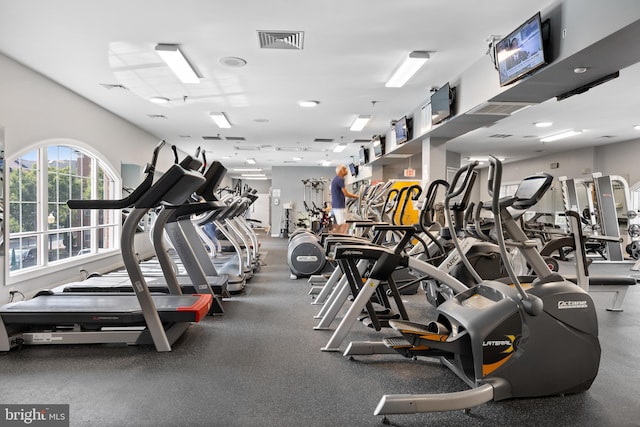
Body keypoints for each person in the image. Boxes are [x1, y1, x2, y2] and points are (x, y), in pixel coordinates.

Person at [330, 165, 359, 234]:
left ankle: (343, 237)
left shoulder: (335, 179)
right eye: (344, 169)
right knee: (343, 224)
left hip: (338, 205)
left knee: (348, 221)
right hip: (339, 206)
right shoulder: (340, 179)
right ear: (340, 171)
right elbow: (345, 193)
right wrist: (357, 196)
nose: (347, 171)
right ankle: (340, 241)